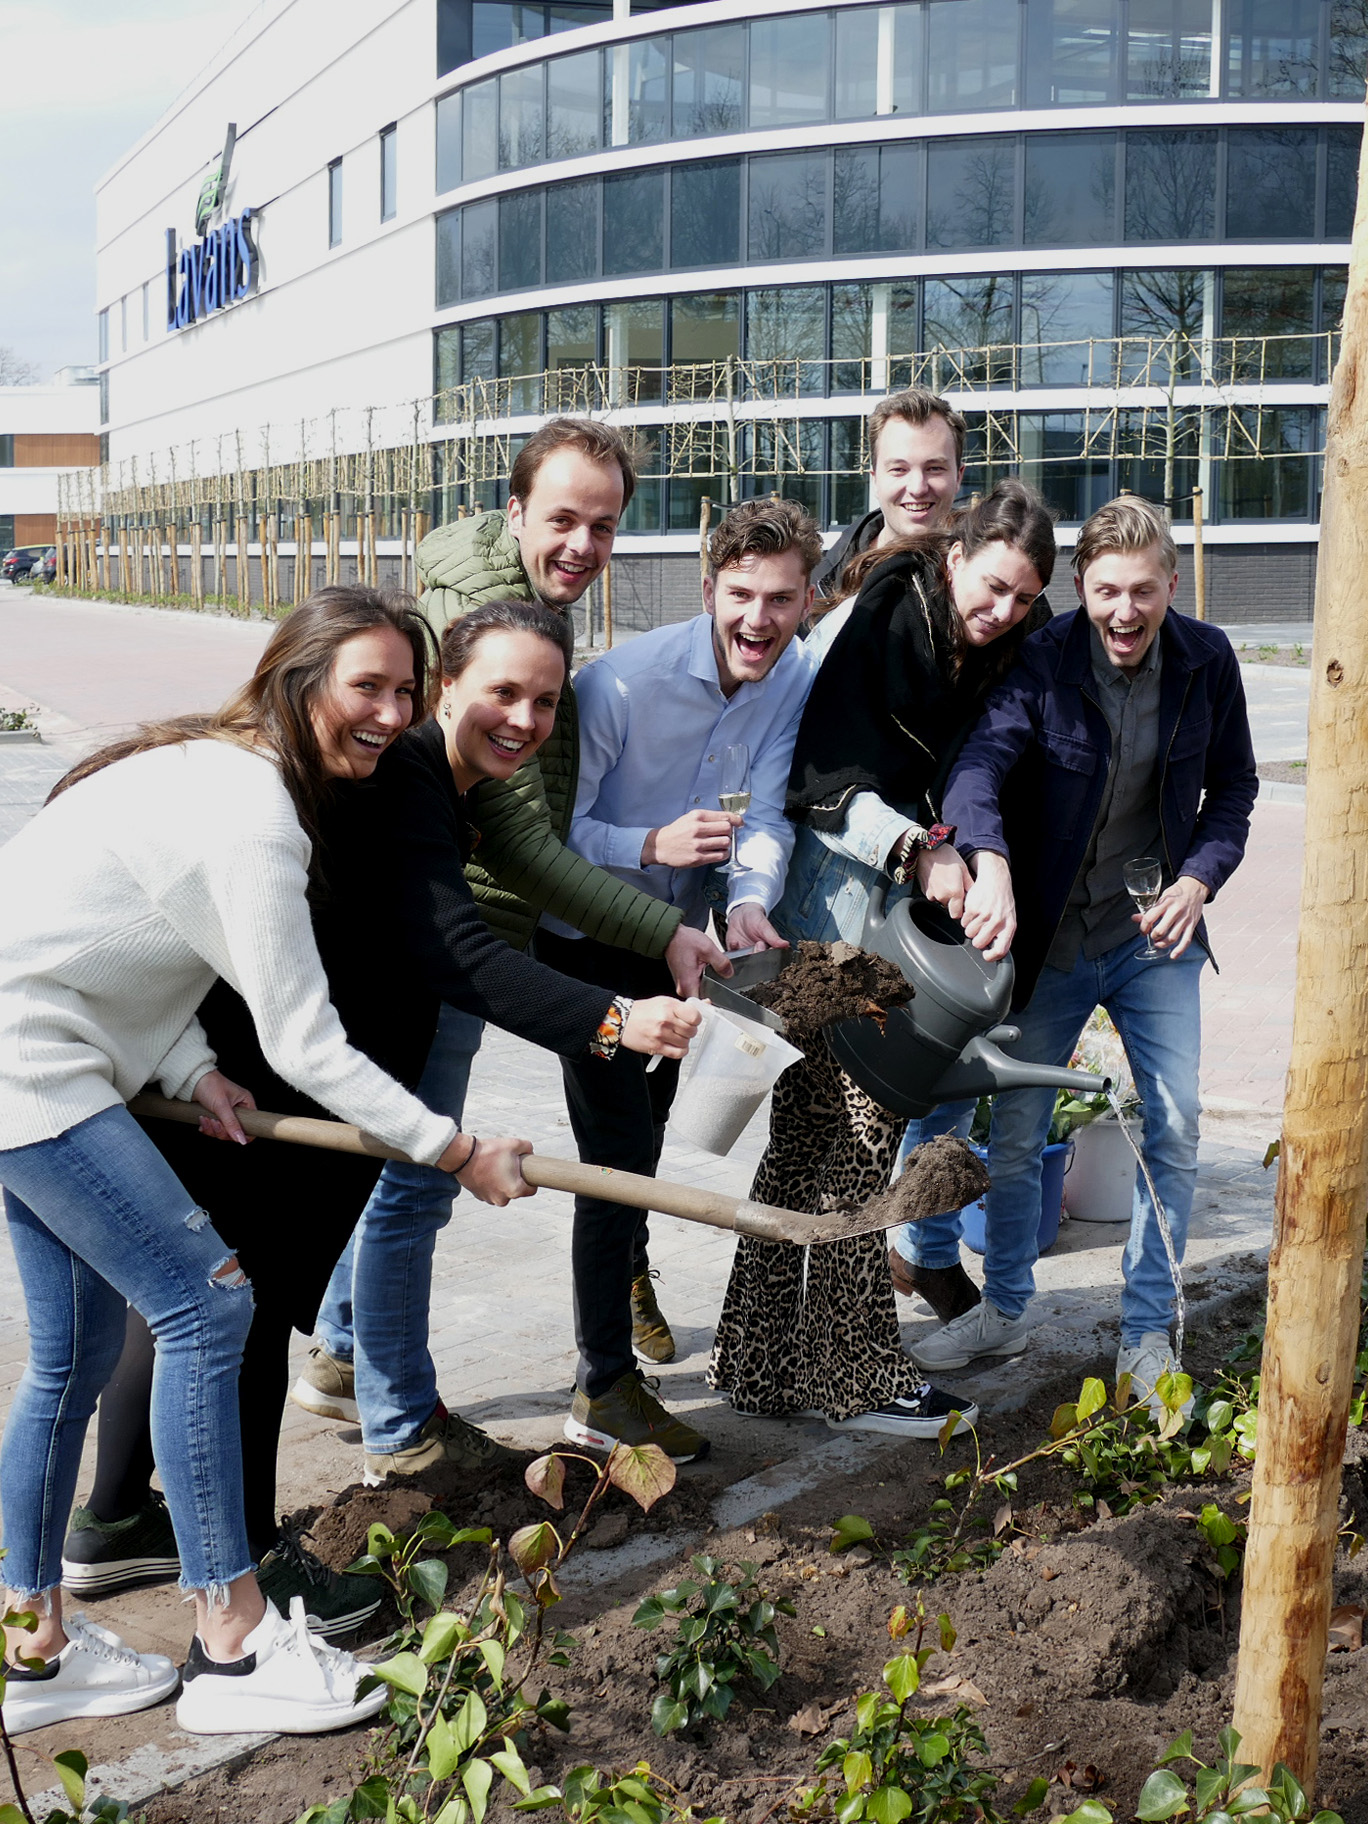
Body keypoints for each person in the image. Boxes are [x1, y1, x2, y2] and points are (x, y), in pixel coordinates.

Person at [59, 592, 697, 1626]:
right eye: (502, 693)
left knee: (183, 1300)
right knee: (241, 1311)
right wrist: (613, 1019)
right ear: (451, 688)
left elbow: (511, 885)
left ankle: (118, 1520)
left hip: (253, 1070)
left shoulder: (428, 782)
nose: (524, 720)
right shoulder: (406, 782)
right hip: (263, 1083)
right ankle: (254, 1562)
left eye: (544, 702)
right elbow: (456, 952)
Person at [0, 593, 536, 1738]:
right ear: (297, 681)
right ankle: (235, 1649)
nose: (391, 713)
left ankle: (33, 1649)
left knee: (73, 1356)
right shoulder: (258, 813)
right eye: (366, 686)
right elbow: (304, 1042)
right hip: (35, 1068)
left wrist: (192, 1069)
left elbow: (123, 938)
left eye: (406, 691)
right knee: (208, 1307)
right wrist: (452, 1147)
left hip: (38, 1049)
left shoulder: (208, 763)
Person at [296, 419, 721, 1476]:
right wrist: (650, 949)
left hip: (445, 931)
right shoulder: (478, 634)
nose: (583, 544)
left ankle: (347, 1353)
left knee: (389, 1163)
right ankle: (402, 1430)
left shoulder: (520, 605)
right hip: (443, 939)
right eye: (564, 518)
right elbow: (522, 852)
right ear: (516, 509)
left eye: (604, 525)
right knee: (416, 1176)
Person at [708, 480, 1057, 1437]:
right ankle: (857, 1380)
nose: (1004, 611)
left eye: (1024, 598)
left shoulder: (988, 644)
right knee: (853, 1146)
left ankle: (759, 1364)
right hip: (830, 921)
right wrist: (919, 849)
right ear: (956, 557)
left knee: (807, 1145)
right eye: (992, 587)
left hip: (854, 921)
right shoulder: (890, 615)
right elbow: (823, 781)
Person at [906, 495, 1257, 1409]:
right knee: (1019, 1133)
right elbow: (977, 769)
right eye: (1107, 592)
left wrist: (1199, 880)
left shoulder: (1208, 661)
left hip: (1153, 935)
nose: (1125, 612)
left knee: (1174, 1125)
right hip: (1054, 940)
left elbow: (1235, 790)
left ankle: (1146, 1334)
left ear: (1172, 584)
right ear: (1081, 587)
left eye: (1144, 591)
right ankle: (1005, 1310)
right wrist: (990, 861)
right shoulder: (1042, 658)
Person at [536, 497, 823, 1462]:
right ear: (708, 591)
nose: (758, 619)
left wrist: (748, 900)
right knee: (613, 1155)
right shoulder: (620, 685)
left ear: (806, 601)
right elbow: (552, 838)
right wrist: (649, 843)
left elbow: (765, 815)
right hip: (587, 936)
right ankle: (603, 1385)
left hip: (679, 940)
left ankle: (630, 1269)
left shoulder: (792, 675)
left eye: (779, 599)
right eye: (740, 595)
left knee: (649, 1130)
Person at [811, 387, 966, 599]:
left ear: (958, 476)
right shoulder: (820, 585)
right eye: (899, 470)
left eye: (934, 468)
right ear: (875, 479)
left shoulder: (993, 587)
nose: (917, 488)